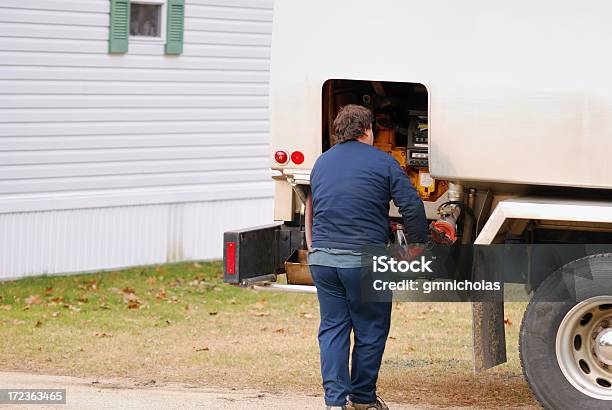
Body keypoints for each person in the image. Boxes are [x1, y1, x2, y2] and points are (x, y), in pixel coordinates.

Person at [305, 104, 429, 410]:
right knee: (370, 328)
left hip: (322, 260)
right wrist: (417, 246)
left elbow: (312, 205)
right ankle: (361, 399)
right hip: (364, 262)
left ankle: (335, 403)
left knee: (333, 328)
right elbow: (411, 207)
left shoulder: (321, 162)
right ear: (366, 130)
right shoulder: (383, 162)